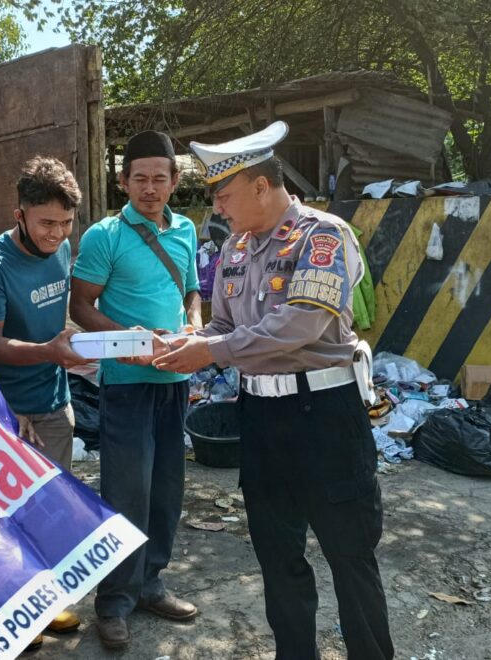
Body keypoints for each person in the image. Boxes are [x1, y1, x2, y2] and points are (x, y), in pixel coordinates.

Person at [154, 121, 393, 659]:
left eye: (224, 194)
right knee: (278, 558)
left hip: (324, 416)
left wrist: (211, 351)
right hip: (262, 417)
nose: (217, 207)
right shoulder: (236, 249)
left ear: (261, 185)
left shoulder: (321, 235)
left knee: (350, 556)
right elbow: (221, 326)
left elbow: (302, 325)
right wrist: (177, 343)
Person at [69, 130, 202, 650]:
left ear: (174, 181)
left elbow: (191, 289)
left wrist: (193, 324)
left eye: (160, 179)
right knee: (126, 493)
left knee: (167, 492)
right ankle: (113, 601)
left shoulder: (187, 229)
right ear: (123, 182)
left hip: (176, 380)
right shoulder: (105, 236)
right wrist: (124, 342)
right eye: (140, 178)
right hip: (127, 383)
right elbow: (82, 307)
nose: (150, 188)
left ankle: (150, 584)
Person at [0, 156, 92, 651]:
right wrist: (51, 353)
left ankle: (43, 600)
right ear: (20, 214)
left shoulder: (61, 251)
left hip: (55, 402)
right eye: (46, 223)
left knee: (49, 507)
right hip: (5, 412)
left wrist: (74, 349)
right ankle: (7, 612)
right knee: (0, 515)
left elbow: (56, 322)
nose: (57, 234)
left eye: (65, 223)